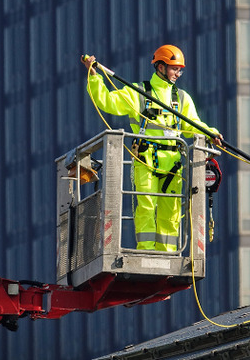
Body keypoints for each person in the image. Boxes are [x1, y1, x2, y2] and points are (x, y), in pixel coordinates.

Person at [81, 44, 223, 251]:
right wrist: (94, 76)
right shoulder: (138, 93)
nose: (178, 74)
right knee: (146, 206)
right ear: (161, 67)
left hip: (173, 164)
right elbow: (107, 102)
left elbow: (193, 124)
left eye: (179, 69)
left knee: (172, 211)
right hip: (146, 160)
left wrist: (210, 132)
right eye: (175, 68)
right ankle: (146, 252)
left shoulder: (181, 98)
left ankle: (167, 254)